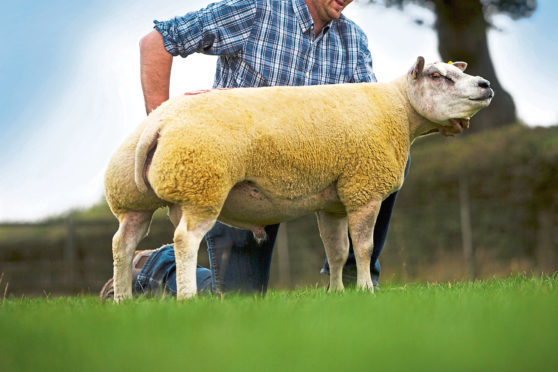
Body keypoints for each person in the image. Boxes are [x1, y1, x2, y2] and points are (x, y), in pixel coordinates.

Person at [100, 0, 461, 300]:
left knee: (387, 160)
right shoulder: (258, 10)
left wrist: (434, 121)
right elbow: (158, 41)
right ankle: (156, 264)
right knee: (239, 303)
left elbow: (375, 133)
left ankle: (356, 283)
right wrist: (166, 128)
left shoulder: (353, 41)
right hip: (237, 174)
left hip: (304, 179)